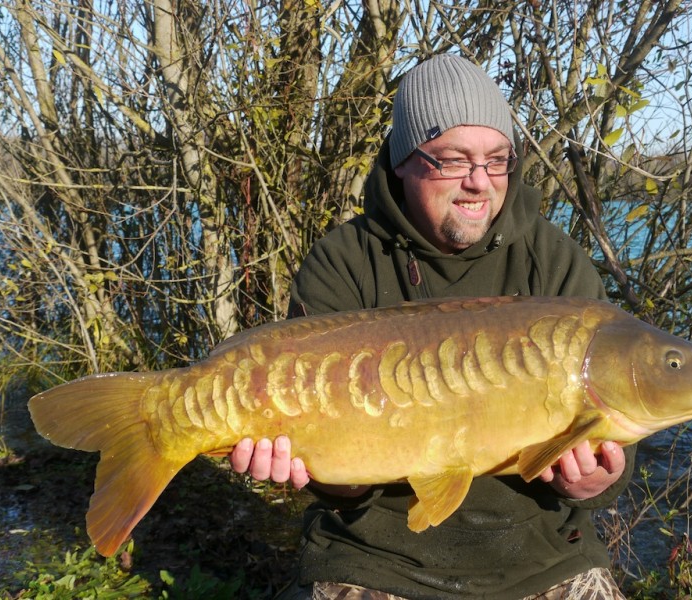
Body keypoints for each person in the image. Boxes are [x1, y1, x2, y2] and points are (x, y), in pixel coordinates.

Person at [230, 54, 634, 599]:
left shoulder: (553, 262)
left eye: (496, 160)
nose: (478, 183)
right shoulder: (345, 261)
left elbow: (612, 449)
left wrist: (597, 482)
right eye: (452, 160)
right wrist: (316, 469)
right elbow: (340, 489)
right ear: (403, 161)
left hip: (538, 551)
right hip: (374, 554)